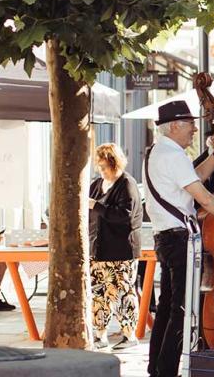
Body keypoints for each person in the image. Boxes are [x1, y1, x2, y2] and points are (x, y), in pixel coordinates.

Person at [145, 101, 214, 377]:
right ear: (175, 125)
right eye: (190, 124)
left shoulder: (158, 151)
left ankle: (156, 369)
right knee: (181, 312)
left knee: (167, 309)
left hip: (166, 238)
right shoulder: (173, 154)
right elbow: (202, 196)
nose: (194, 129)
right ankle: (166, 371)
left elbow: (197, 178)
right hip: (179, 240)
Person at [89, 143, 143, 348]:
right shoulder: (97, 185)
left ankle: (129, 335)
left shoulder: (127, 184)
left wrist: (98, 206)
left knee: (123, 292)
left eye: (105, 166)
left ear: (115, 163)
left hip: (121, 250)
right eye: (99, 166)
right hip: (99, 249)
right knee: (99, 293)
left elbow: (125, 216)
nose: (101, 171)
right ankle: (99, 334)